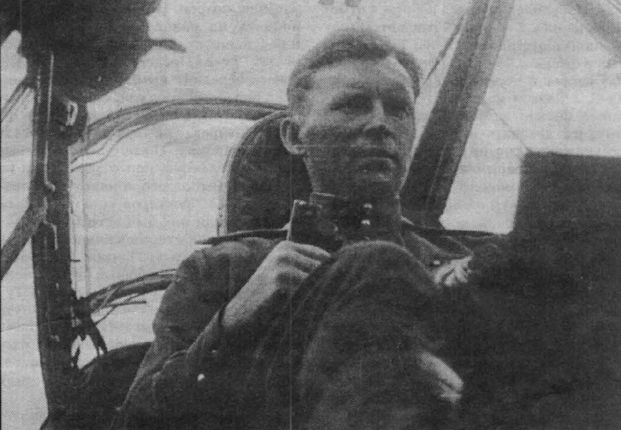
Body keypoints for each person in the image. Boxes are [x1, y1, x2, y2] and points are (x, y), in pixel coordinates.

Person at [118, 28, 487, 430]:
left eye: (399, 109)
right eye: (352, 105)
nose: (381, 123)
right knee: (376, 263)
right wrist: (231, 321)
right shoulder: (223, 270)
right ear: (295, 136)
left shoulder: (463, 265)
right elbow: (139, 420)